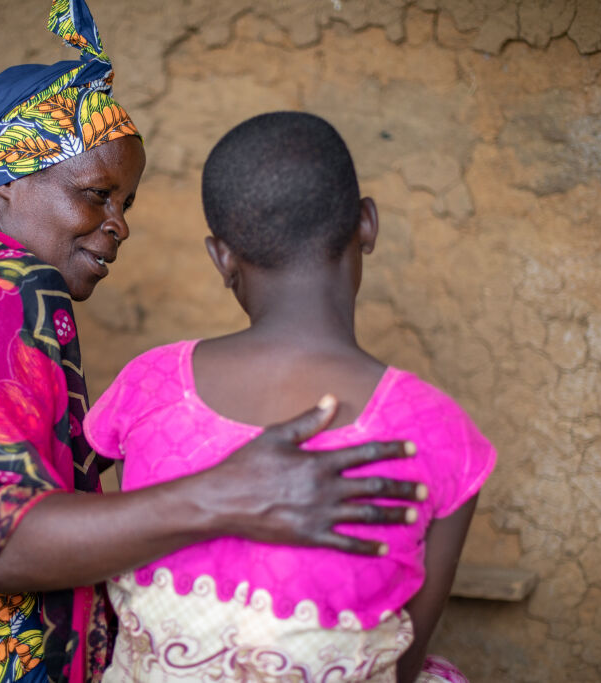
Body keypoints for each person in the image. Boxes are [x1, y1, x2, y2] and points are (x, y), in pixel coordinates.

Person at [0, 4, 427, 682]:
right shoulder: (4, 292)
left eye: (127, 204)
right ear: (7, 182)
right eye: (96, 194)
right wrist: (228, 493)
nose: (118, 226)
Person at [83, 112, 497, 682]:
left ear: (221, 256)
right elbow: (397, 665)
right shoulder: (441, 431)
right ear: (367, 224)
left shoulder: (149, 384)